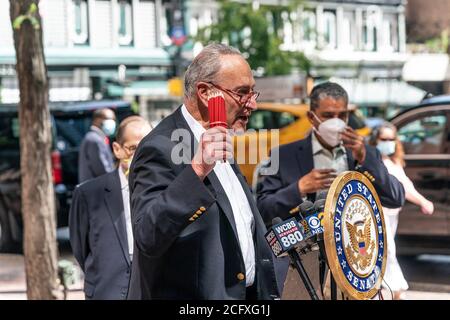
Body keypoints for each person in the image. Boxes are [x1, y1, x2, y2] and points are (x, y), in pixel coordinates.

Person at [127, 44, 280, 300]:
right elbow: (148, 236)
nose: (252, 103)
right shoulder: (160, 147)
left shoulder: (221, 138)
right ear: (206, 92)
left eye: (253, 92)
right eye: (242, 93)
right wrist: (197, 169)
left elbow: (240, 222)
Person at [257, 82, 406, 299]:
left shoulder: (362, 153)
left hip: (356, 264)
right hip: (306, 267)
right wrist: (298, 189)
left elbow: (395, 197)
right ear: (311, 117)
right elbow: (263, 209)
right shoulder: (283, 155)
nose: (336, 122)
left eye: (342, 115)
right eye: (328, 115)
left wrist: (365, 158)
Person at [69, 116, 152, 300]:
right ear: (117, 149)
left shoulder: (162, 190)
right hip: (106, 290)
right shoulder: (88, 194)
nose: (140, 156)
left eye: (146, 148)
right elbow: (80, 247)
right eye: (133, 148)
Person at [370, 122, 434, 300]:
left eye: (392, 139)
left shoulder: (394, 161)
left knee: (386, 252)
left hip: (393, 214)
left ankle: (391, 291)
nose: (388, 142)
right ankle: (397, 290)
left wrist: (422, 201)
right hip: (379, 214)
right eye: (384, 139)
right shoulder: (373, 162)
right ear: (375, 140)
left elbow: (406, 187)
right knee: (387, 251)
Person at [78, 108, 116, 183]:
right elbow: (102, 170)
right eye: (109, 119)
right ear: (97, 120)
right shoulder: (95, 140)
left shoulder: (97, 137)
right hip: (96, 190)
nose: (113, 122)